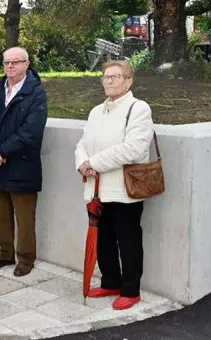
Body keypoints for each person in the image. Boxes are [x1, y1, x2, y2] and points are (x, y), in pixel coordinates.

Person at [74, 60, 154, 311]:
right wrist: (82, 162)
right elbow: (82, 142)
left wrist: (94, 163)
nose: (109, 81)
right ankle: (110, 281)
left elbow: (133, 149)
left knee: (127, 241)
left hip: (124, 190)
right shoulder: (96, 111)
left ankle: (130, 290)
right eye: (105, 77)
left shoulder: (138, 109)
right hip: (97, 188)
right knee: (104, 239)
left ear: (129, 81)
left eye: (115, 76)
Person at [0, 47, 48, 277]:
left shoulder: (36, 92)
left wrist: (3, 151)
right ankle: (5, 254)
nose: (10, 66)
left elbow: (31, 131)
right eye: (7, 62)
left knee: (24, 216)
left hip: (21, 164)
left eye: (16, 62)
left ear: (27, 64)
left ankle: (26, 258)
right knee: (1, 214)